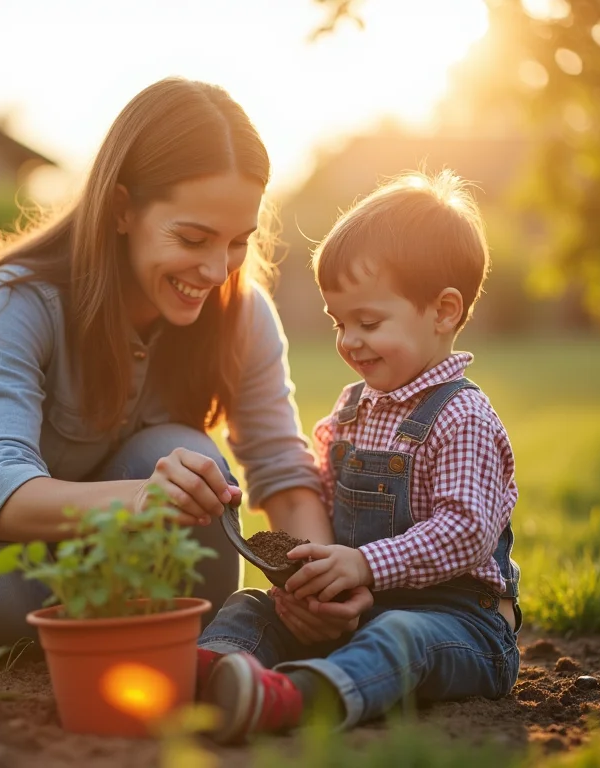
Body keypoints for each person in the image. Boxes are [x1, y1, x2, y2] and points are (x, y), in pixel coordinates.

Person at [0, 77, 350, 650]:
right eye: (192, 238)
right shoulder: (25, 296)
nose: (215, 270)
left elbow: (283, 475)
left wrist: (324, 581)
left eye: (236, 241)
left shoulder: (241, 313)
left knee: (193, 459)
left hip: (96, 529)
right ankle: (72, 601)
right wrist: (140, 500)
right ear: (123, 209)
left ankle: (95, 607)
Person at [196, 170, 522, 744]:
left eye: (368, 323)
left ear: (444, 311)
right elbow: (328, 505)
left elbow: (466, 531)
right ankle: (209, 674)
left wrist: (366, 565)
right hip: (361, 607)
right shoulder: (353, 408)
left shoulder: (462, 417)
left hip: (459, 626)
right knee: (250, 606)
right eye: (340, 323)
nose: (349, 340)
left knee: (401, 637)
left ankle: (294, 698)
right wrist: (309, 583)